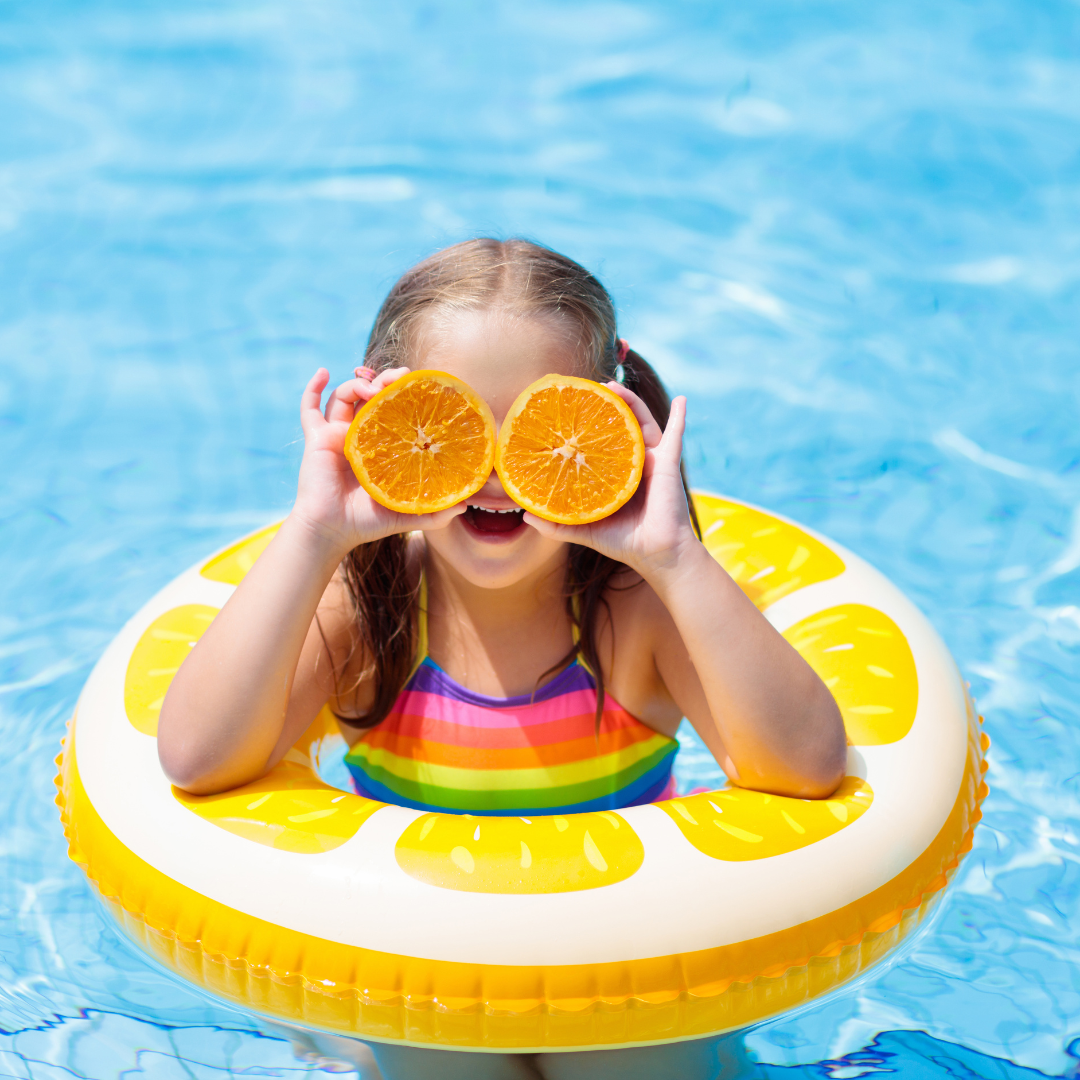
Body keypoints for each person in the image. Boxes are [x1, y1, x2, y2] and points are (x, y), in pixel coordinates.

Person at [158, 238, 846, 1080]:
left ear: (607, 415)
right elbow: (197, 759)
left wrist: (671, 556)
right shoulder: (366, 611)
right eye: (453, 423)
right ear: (379, 413)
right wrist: (313, 534)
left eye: (538, 426)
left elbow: (804, 770)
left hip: (622, 976)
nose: (494, 472)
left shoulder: (636, 614)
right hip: (425, 980)